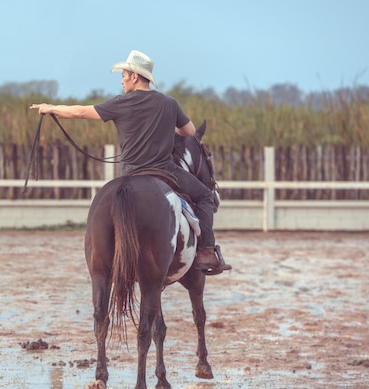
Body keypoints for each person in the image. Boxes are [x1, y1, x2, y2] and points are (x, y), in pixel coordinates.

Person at [31, 50, 231, 275]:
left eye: (124, 74)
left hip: (130, 173)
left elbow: (79, 112)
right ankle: (205, 251)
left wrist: (50, 108)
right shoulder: (169, 103)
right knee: (205, 195)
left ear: (135, 76)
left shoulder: (120, 103)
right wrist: (167, 127)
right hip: (165, 171)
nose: (121, 79)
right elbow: (190, 132)